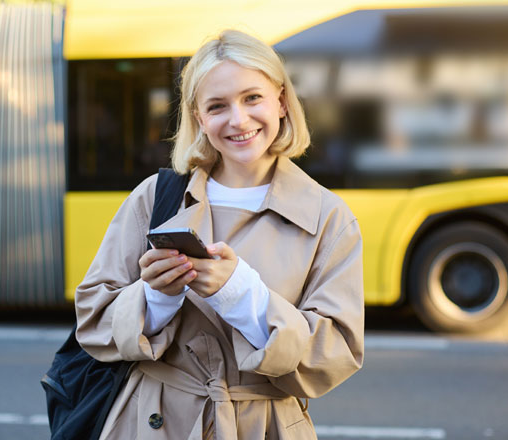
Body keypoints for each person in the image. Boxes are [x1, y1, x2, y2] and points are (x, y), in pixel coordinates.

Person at [75, 29, 364, 440]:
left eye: (252, 98)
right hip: (150, 422)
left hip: (264, 426)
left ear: (281, 101)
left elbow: (335, 356)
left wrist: (242, 294)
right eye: (217, 106)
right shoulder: (154, 197)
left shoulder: (329, 217)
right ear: (199, 118)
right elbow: (92, 319)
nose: (238, 119)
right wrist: (155, 298)